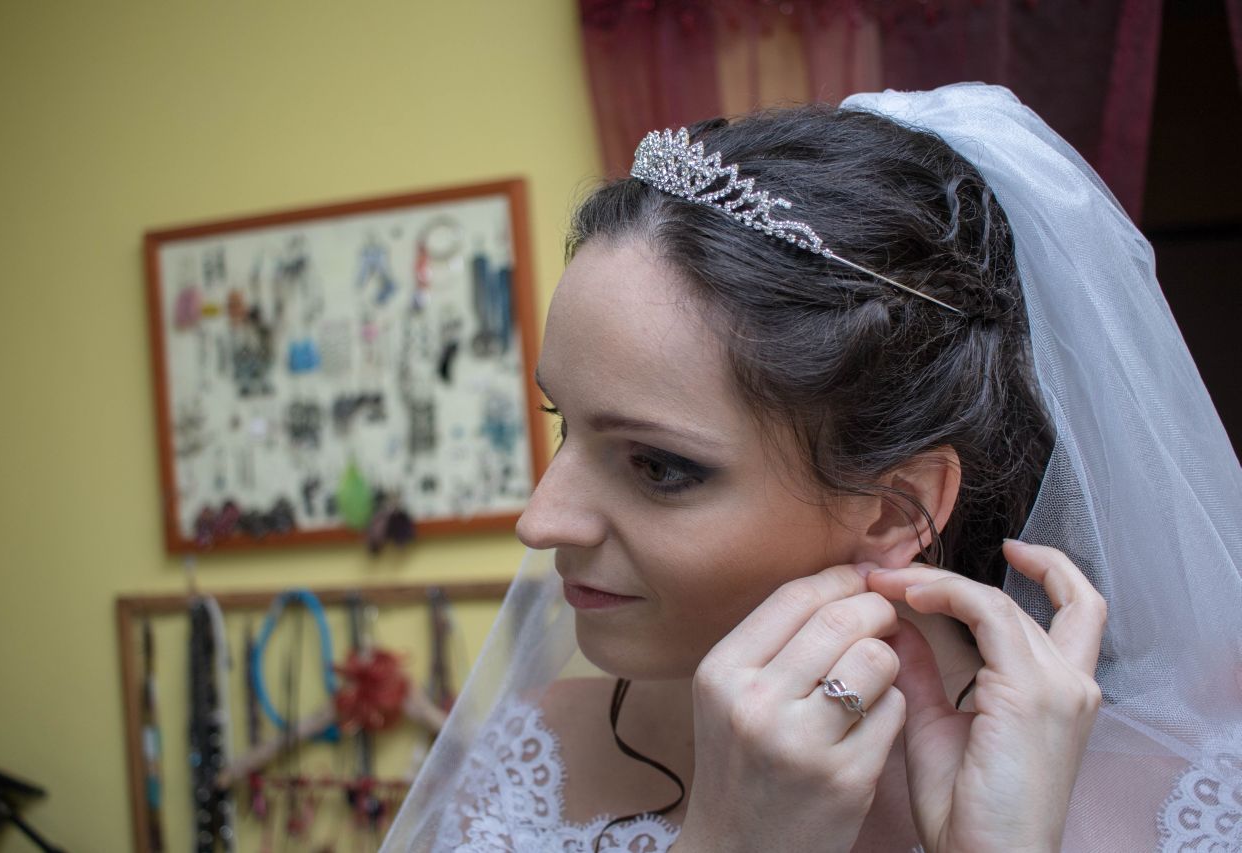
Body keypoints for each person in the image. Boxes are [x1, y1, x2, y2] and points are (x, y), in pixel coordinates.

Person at [380, 84, 1242, 852]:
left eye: (658, 466)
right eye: (562, 422)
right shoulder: (527, 765)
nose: (539, 520)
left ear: (895, 508)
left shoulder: (1181, 809)